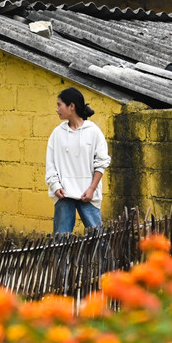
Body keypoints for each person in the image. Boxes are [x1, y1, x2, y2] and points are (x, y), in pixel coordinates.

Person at [45, 87, 110, 234]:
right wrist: (55, 186)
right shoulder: (57, 133)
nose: (57, 109)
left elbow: (101, 162)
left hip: (87, 194)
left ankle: (101, 259)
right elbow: (50, 164)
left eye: (59, 104)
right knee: (61, 240)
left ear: (71, 106)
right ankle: (60, 259)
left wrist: (92, 188)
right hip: (64, 194)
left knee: (98, 238)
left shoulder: (93, 132)